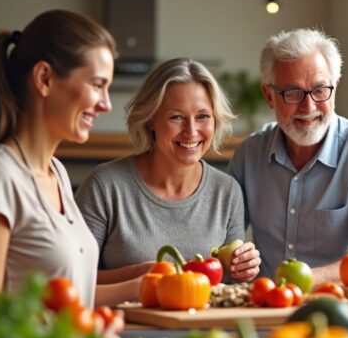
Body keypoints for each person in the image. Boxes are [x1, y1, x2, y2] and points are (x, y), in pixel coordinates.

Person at [0, 10, 137, 315]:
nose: (106, 104)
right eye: (96, 84)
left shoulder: (57, 173)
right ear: (44, 78)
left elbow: (66, 291)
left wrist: (139, 286)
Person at [229, 28, 348, 285]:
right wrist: (238, 261)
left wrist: (304, 281)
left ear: (335, 89)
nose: (309, 107)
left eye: (320, 90)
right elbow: (225, 240)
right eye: (292, 93)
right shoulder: (249, 155)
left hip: (341, 309)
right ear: (269, 96)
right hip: (265, 308)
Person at [75, 58, 261, 284]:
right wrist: (145, 275)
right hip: (122, 319)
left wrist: (243, 268)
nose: (191, 131)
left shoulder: (228, 191)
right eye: (176, 117)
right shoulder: (104, 185)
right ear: (151, 119)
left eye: (203, 116)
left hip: (204, 320)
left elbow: (229, 286)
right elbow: (75, 277)